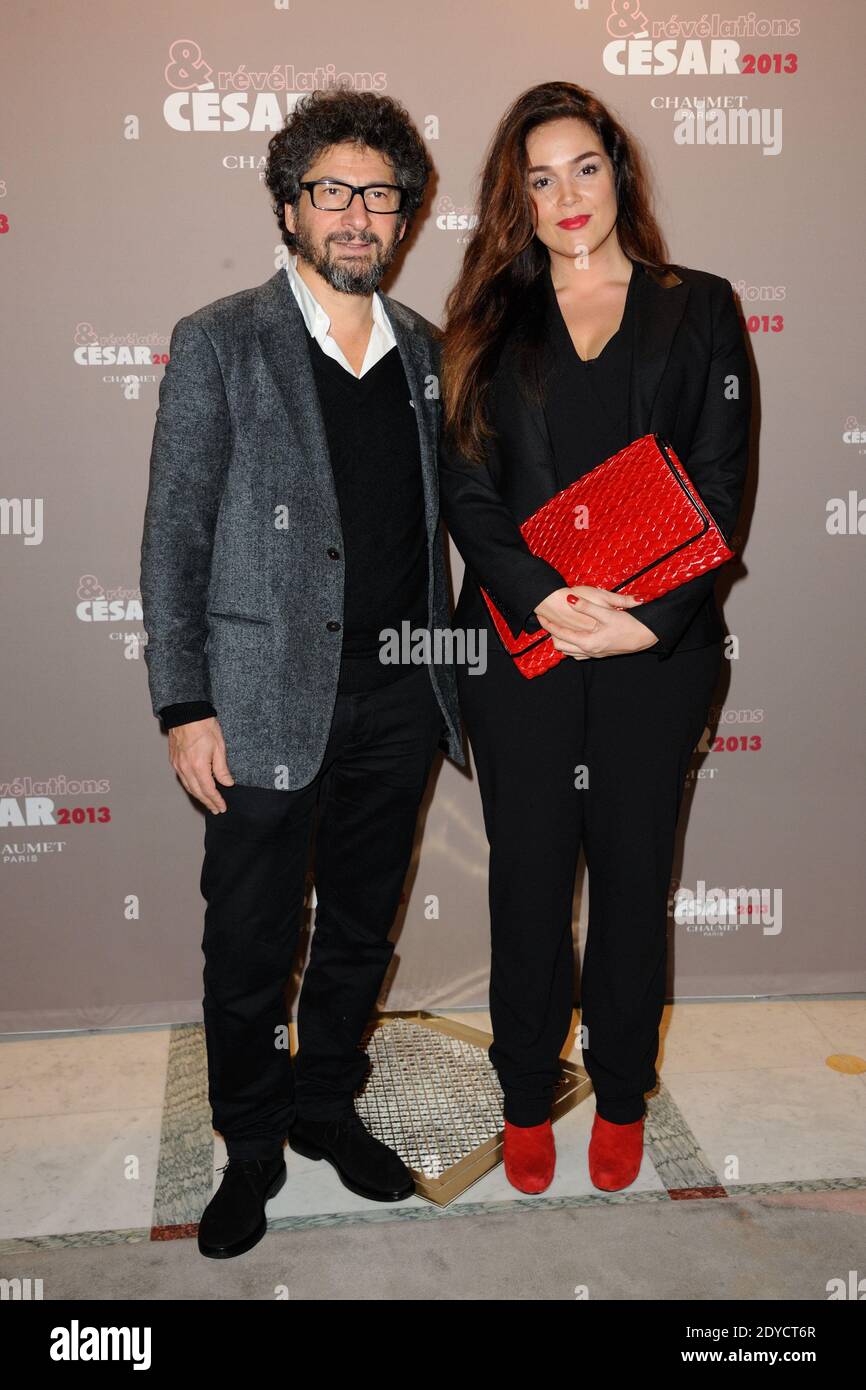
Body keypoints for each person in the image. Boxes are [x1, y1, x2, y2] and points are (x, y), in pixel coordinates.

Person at [139, 87, 464, 1259]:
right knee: (249, 939)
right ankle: (250, 1144)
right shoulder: (221, 339)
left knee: (361, 927)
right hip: (262, 696)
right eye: (331, 189)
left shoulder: (429, 353)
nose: (356, 213)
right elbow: (174, 533)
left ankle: (327, 1106)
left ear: (406, 214)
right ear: (287, 205)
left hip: (397, 699)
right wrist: (185, 702)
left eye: (379, 193)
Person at [438, 81, 751, 1195]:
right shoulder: (483, 321)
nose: (565, 195)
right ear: (512, 199)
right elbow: (467, 492)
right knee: (526, 878)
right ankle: (526, 1092)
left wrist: (646, 621)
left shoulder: (698, 305)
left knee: (631, 878)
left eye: (583, 166)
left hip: (652, 656)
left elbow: (718, 485)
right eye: (537, 177)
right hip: (522, 654)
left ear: (617, 171)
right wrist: (538, 600)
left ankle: (620, 1091)